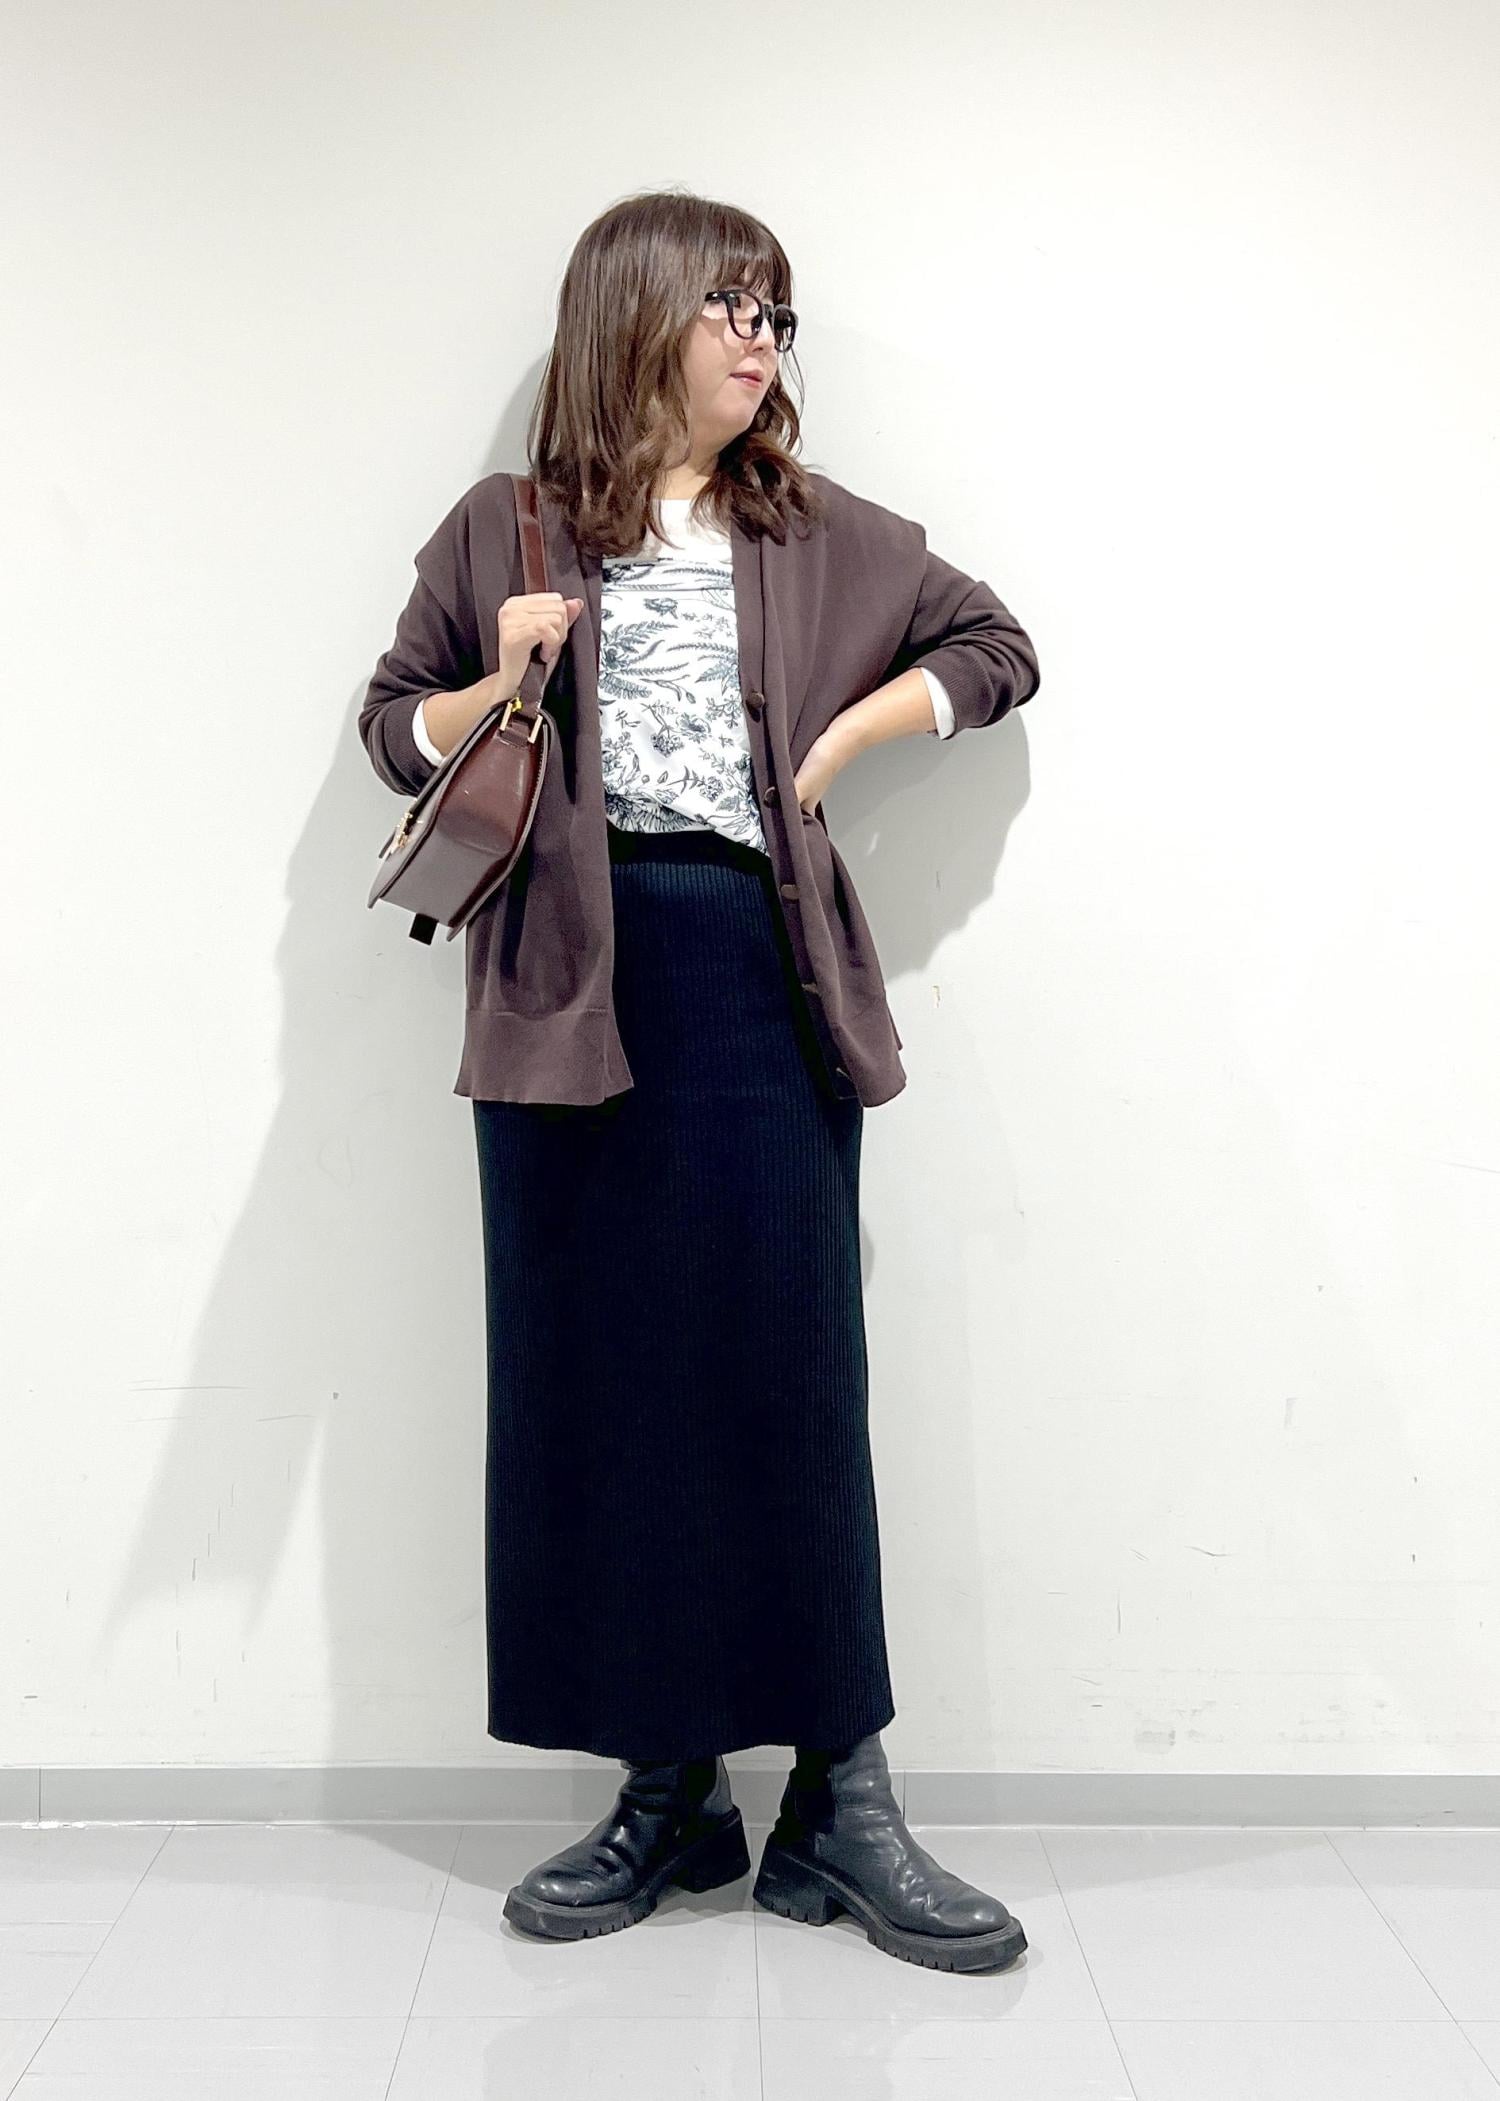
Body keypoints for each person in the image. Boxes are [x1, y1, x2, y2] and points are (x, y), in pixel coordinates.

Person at [358, 188, 1040, 1975]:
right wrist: (491, 682)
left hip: (754, 964)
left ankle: (842, 1794)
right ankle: (667, 1792)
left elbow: (997, 647)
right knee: (597, 1383)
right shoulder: (506, 525)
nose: (763, 339)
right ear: (635, 309)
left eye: (777, 314)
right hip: (559, 981)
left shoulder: (816, 530)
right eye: (733, 304)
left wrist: (846, 735)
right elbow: (389, 727)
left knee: (790, 1374)